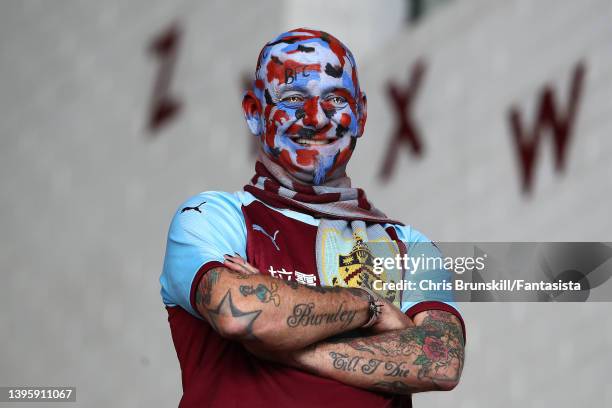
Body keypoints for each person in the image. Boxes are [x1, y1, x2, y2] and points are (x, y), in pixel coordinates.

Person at [160, 28, 465, 408]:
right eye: (292, 98)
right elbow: (242, 315)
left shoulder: (411, 245)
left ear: (361, 115)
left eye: (335, 98)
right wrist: (372, 308)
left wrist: (286, 347)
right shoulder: (213, 216)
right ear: (255, 114)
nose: (315, 117)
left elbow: (440, 362)